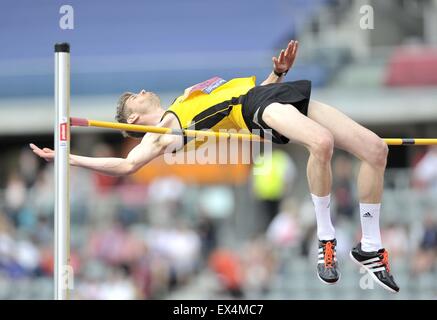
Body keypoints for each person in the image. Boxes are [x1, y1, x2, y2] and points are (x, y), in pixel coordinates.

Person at [30, 40, 399, 292]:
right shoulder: (161, 133)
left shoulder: (184, 98)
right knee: (321, 143)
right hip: (253, 108)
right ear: (136, 120)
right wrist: (67, 156)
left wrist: (279, 74)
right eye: (133, 99)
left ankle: (369, 244)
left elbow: (244, 94)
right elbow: (125, 166)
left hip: (266, 93)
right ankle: (326, 239)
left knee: (376, 150)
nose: (141, 92)